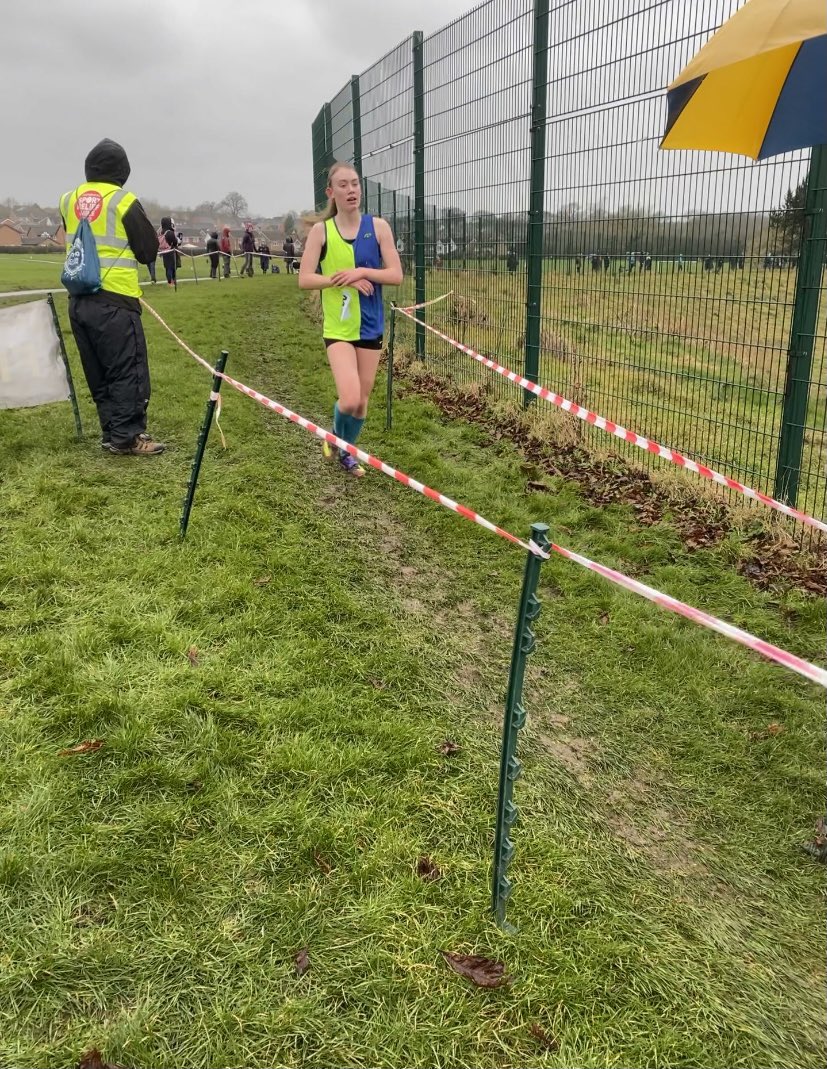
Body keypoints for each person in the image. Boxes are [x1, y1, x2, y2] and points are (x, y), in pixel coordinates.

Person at [59, 138, 164, 455]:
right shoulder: (123, 201)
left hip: (79, 300)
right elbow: (147, 250)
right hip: (115, 299)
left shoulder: (68, 199)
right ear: (123, 171)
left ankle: (111, 432)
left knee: (99, 370)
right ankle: (128, 436)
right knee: (127, 369)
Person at [298, 161, 403, 477]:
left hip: (371, 326)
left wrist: (362, 272)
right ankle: (335, 434)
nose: (351, 190)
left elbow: (396, 274)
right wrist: (340, 279)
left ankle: (345, 452)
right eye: (343, 185)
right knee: (350, 397)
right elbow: (304, 279)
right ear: (332, 192)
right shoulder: (322, 232)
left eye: (355, 183)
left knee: (362, 403)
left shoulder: (379, 227)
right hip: (339, 328)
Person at [158, 216, 179, 287]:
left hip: (164, 252)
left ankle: (169, 282)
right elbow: (175, 242)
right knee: (172, 267)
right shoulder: (170, 232)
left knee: (167, 267)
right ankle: (172, 282)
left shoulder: (161, 232)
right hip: (170, 251)